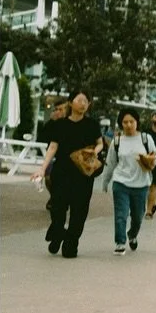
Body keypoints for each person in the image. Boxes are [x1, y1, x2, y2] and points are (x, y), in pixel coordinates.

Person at [31, 89, 104, 258]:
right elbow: (53, 147)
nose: (83, 104)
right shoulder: (60, 125)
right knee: (58, 207)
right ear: (70, 102)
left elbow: (100, 143)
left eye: (86, 101)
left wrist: (94, 152)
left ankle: (71, 243)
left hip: (83, 174)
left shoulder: (92, 125)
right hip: (62, 172)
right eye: (80, 100)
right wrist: (42, 168)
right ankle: (58, 233)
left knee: (79, 211)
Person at [100, 109, 156, 254]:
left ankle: (132, 234)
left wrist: (150, 160)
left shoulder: (146, 139)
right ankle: (120, 242)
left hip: (141, 184)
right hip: (121, 182)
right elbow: (110, 163)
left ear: (137, 122)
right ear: (121, 124)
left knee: (138, 217)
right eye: (125, 122)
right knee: (121, 214)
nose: (128, 125)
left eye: (131, 121)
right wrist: (105, 182)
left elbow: (155, 157)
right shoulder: (117, 141)